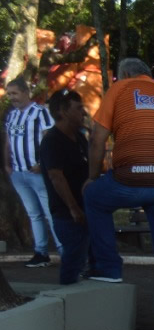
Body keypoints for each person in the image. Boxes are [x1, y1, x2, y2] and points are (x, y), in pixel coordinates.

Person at [83, 57, 154, 330]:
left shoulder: (120, 89)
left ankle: (109, 268)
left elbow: (97, 139)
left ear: (126, 74)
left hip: (132, 178)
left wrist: (92, 177)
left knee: (94, 197)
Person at [4, 78, 61, 268]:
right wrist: (7, 165)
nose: (12, 98)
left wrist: (42, 163)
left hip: (37, 172)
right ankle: (41, 252)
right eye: (9, 94)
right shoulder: (12, 116)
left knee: (49, 212)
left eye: (15, 93)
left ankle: (65, 251)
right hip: (18, 173)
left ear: (26, 92)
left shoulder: (40, 113)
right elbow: (7, 142)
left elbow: (49, 139)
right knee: (33, 214)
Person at [37, 89, 89, 284]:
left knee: (85, 256)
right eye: (79, 108)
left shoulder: (80, 137)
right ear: (63, 111)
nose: (83, 113)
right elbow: (56, 176)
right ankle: (67, 293)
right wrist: (73, 208)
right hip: (68, 214)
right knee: (74, 258)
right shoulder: (52, 141)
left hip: (85, 209)